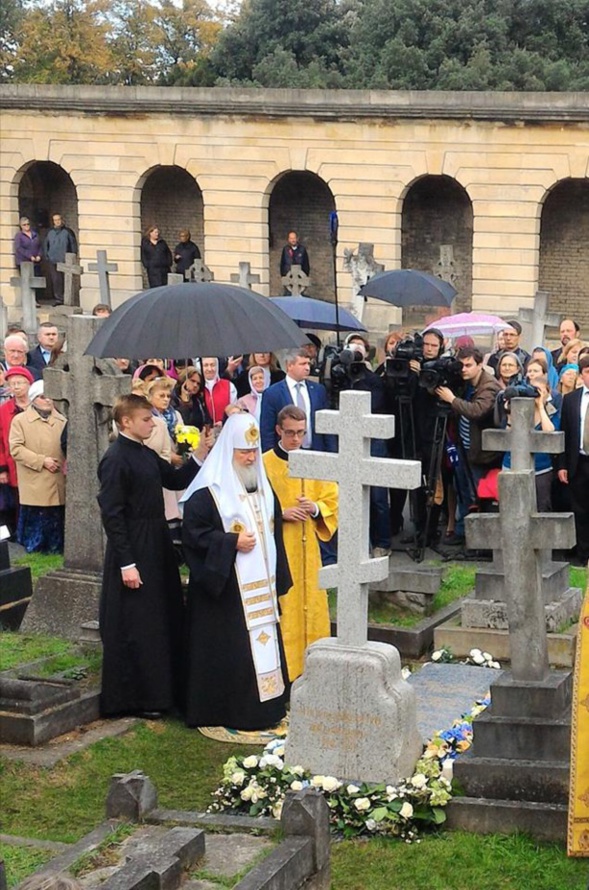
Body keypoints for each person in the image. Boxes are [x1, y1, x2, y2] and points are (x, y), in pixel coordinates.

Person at [97, 393, 210, 718]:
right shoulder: (116, 458)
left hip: (156, 541)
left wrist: (200, 453)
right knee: (139, 623)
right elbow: (112, 513)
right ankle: (139, 696)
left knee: (162, 617)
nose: (152, 423)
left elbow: (174, 479)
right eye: (146, 419)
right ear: (126, 422)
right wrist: (126, 563)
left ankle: (164, 691)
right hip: (133, 546)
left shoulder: (144, 453)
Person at [181, 412, 291, 730]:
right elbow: (193, 535)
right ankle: (231, 710)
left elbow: (275, 531)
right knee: (234, 651)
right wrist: (230, 542)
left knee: (265, 644)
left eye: (254, 451)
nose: (249, 457)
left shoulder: (262, 486)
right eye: (243, 451)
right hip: (227, 592)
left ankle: (268, 707)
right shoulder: (208, 493)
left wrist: (278, 578)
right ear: (229, 450)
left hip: (261, 591)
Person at [263, 405, 337, 681]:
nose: (296, 439)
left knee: (313, 606)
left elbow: (331, 500)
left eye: (301, 433)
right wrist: (279, 515)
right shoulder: (264, 463)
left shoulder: (314, 463)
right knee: (286, 608)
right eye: (291, 433)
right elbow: (251, 506)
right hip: (279, 551)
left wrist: (315, 508)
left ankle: (316, 672)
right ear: (279, 430)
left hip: (309, 553)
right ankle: (285, 673)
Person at [435, 346, 502, 546]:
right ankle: (464, 534)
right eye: (461, 365)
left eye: (468, 365)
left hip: (481, 453)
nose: (463, 369)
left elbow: (477, 411)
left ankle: (480, 541)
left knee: (477, 495)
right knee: (462, 490)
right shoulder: (464, 382)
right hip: (462, 447)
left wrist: (451, 399)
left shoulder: (489, 385)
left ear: (480, 365)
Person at [9, 380, 67, 553]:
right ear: (34, 399)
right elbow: (16, 448)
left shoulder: (62, 420)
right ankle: (35, 548)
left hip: (57, 478)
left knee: (56, 514)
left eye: (50, 396)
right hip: (35, 478)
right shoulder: (20, 421)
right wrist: (41, 461)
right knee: (38, 514)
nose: (48, 400)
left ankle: (57, 548)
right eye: (42, 397)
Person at [260, 348, 331, 453]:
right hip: (285, 455)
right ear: (289, 366)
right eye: (302, 364)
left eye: (308, 364)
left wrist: (331, 452)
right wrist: (271, 458)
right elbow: (267, 431)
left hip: (316, 452)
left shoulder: (318, 390)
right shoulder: (272, 393)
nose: (307, 368)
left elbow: (326, 424)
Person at [557, 355, 589, 567]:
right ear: (581, 374)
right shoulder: (571, 399)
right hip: (579, 461)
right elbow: (564, 433)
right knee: (580, 510)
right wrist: (562, 465)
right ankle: (583, 554)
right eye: (587, 371)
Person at [0, 367, 33, 533]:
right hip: (12, 462)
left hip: (35, 461)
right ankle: (18, 533)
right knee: (16, 500)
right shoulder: (4, 409)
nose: (17, 387)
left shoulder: (36, 405)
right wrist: (2, 469)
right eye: (13, 384)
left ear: (29, 384)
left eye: (20, 382)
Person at [43, 213, 78, 306]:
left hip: (65, 260)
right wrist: (47, 256)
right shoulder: (49, 232)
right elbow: (46, 245)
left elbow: (73, 245)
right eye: (55, 220)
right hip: (53, 260)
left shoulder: (68, 232)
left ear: (62, 220)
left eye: (58, 219)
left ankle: (67, 299)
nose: (57, 221)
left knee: (66, 280)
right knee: (56, 280)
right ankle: (59, 298)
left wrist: (72, 256)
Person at [201, 356, 237, 424]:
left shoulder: (229, 386)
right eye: (206, 365)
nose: (209, 369)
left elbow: (234, 412)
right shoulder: (198, 387)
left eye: (212, 365)